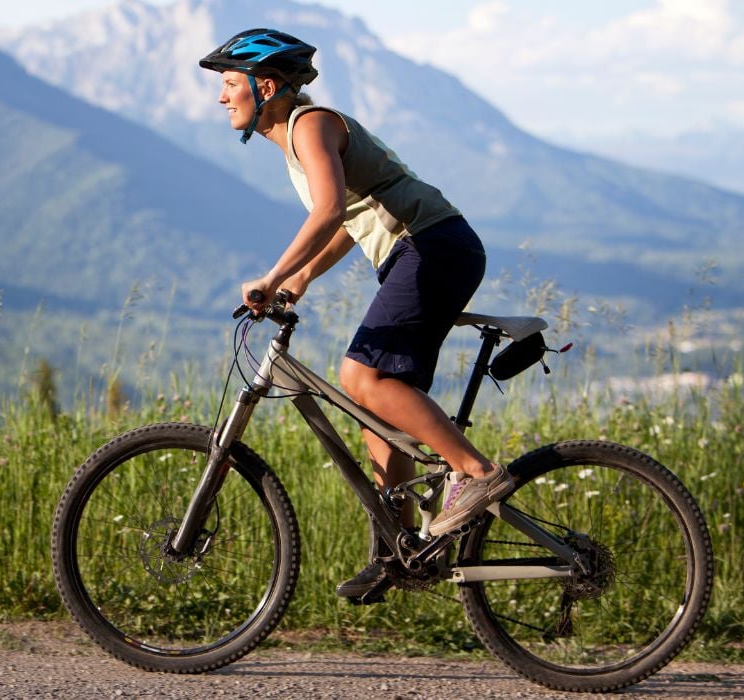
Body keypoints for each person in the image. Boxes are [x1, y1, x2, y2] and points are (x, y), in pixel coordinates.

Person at [199, 29, 514, 599]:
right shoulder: (298, 138)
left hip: (431, 246)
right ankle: (399, 554)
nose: (222, 98)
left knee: (360, 376)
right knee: (380, 421)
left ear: (264, 85)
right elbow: (348, 218)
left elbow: (325, 212)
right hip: (425, 251)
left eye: (228, 84)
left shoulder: (309, 125)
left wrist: (271, 275)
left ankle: (476, 474)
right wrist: (299, 279)